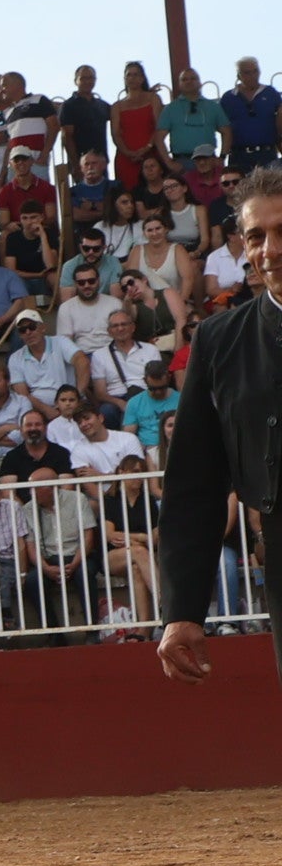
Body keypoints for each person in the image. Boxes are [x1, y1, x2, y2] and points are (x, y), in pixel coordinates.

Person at [157, 170, 282, 688]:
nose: (272, 250)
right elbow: (194, 482)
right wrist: (183, 610)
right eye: (257, 237)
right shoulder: (219, 339)